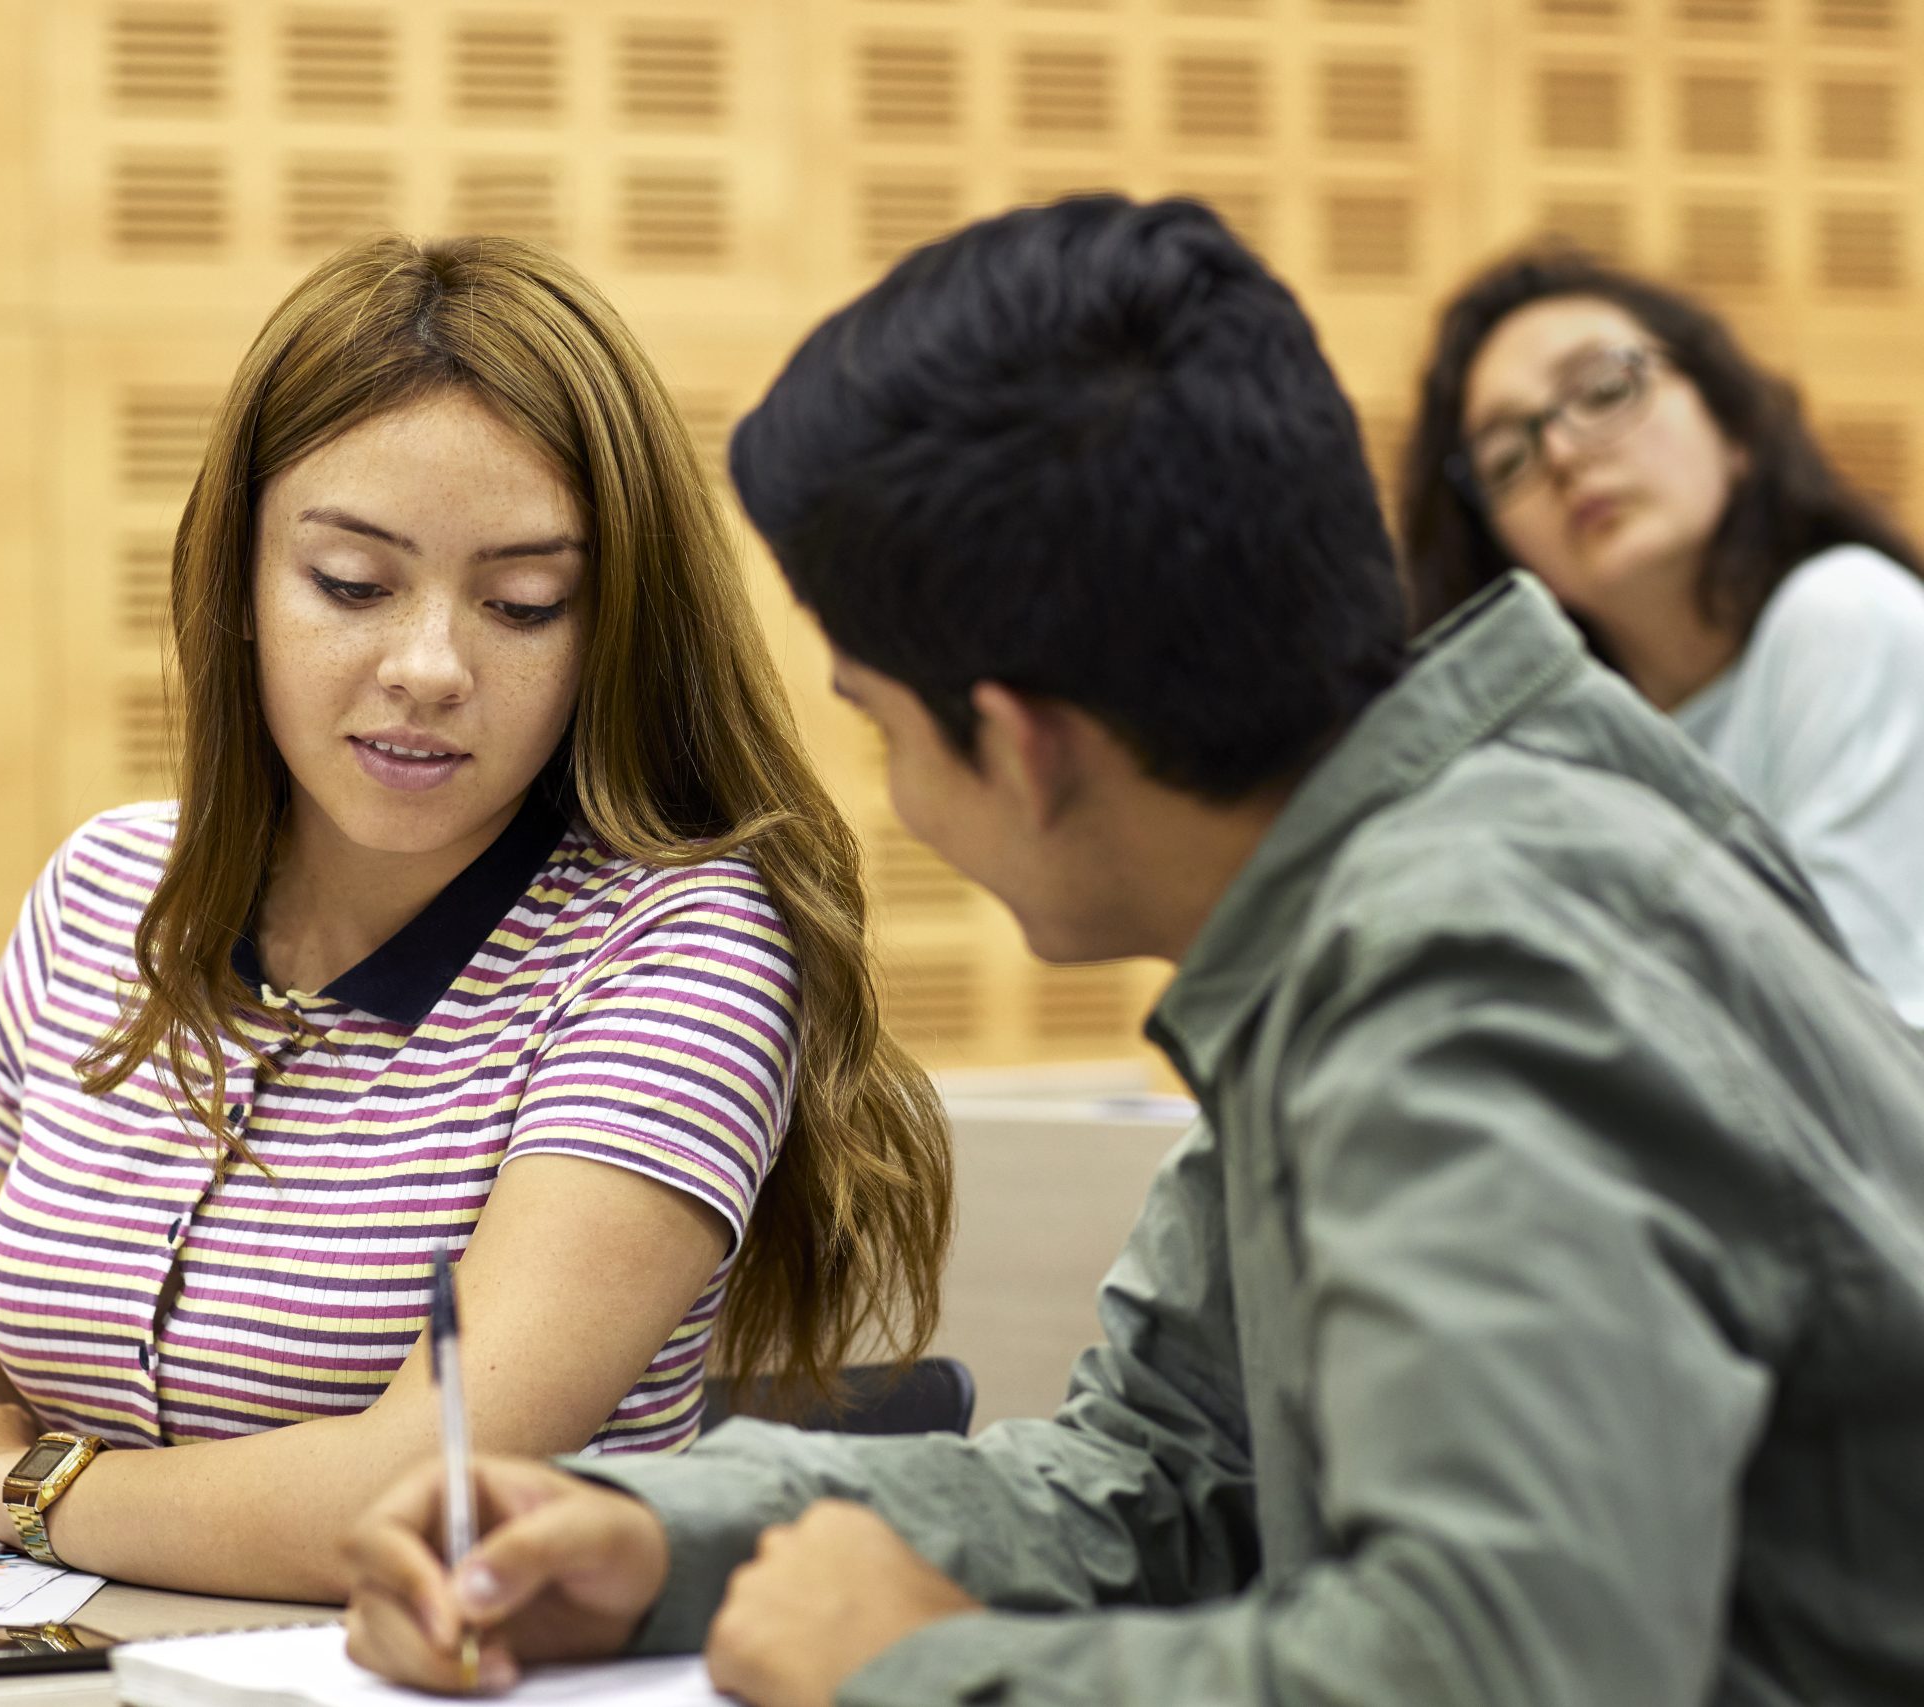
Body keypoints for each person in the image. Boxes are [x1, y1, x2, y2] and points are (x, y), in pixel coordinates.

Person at [342, 196, 1924, 1706]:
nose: (897, 793)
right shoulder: (1378, 887)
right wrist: (663, 1537)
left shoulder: (1472, 968)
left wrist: (913, 1668)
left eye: (884, 728)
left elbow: (1510, 1670)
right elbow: (1159, 1478)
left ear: (1024, 747)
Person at [0, 234, 952, 1601]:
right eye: (353, 585)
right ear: (240, 583)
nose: (427, 666)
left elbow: (423, 1489)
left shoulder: (682, 945)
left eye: (524, 602)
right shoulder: (102, 890)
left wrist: (14, 1487)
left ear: (608, 630)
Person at [1400, 249, 1924, 1023]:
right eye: (1507, 456)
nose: (1564, 454)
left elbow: (1866, 1035)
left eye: (1604, 390)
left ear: (1734, 427)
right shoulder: (1547, 763)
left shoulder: (1844, 613)